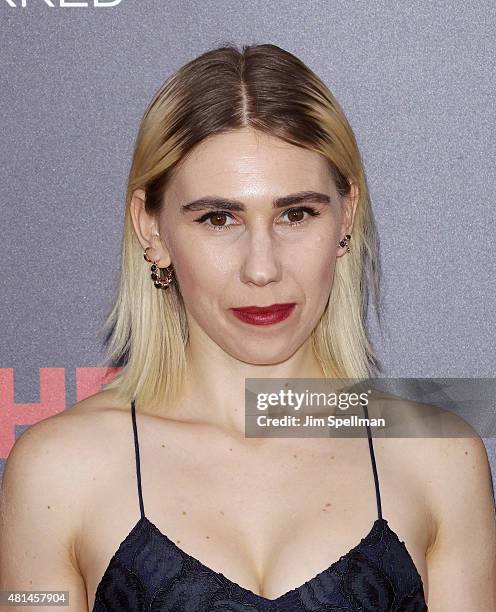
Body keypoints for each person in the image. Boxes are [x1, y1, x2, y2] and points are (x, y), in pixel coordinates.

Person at [1, 43, 495, 612]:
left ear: (346, 216)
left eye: (296, 214)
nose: (262, 269)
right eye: (219, 218)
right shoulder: (58, 472)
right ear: (152, 229)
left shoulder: (439, 459)